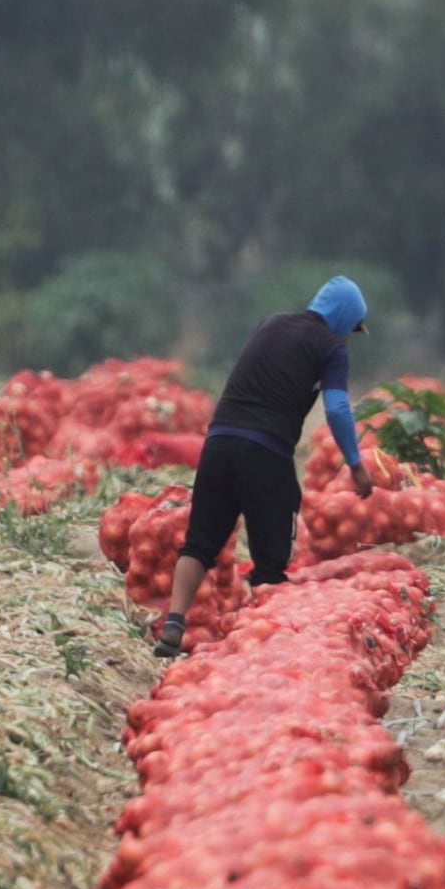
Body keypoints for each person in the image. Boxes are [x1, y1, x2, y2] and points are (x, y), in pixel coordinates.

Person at [153, 276, 376, 655]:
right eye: (352, 328)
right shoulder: (331, 348)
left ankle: (173, 624)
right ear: (343, 319)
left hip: (219, 441)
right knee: (271, 560)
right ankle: (258, 649)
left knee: (200, 543)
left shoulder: (270, 323)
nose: (350, 337)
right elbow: (337, 408)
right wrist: (356, 464)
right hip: (266, 453)